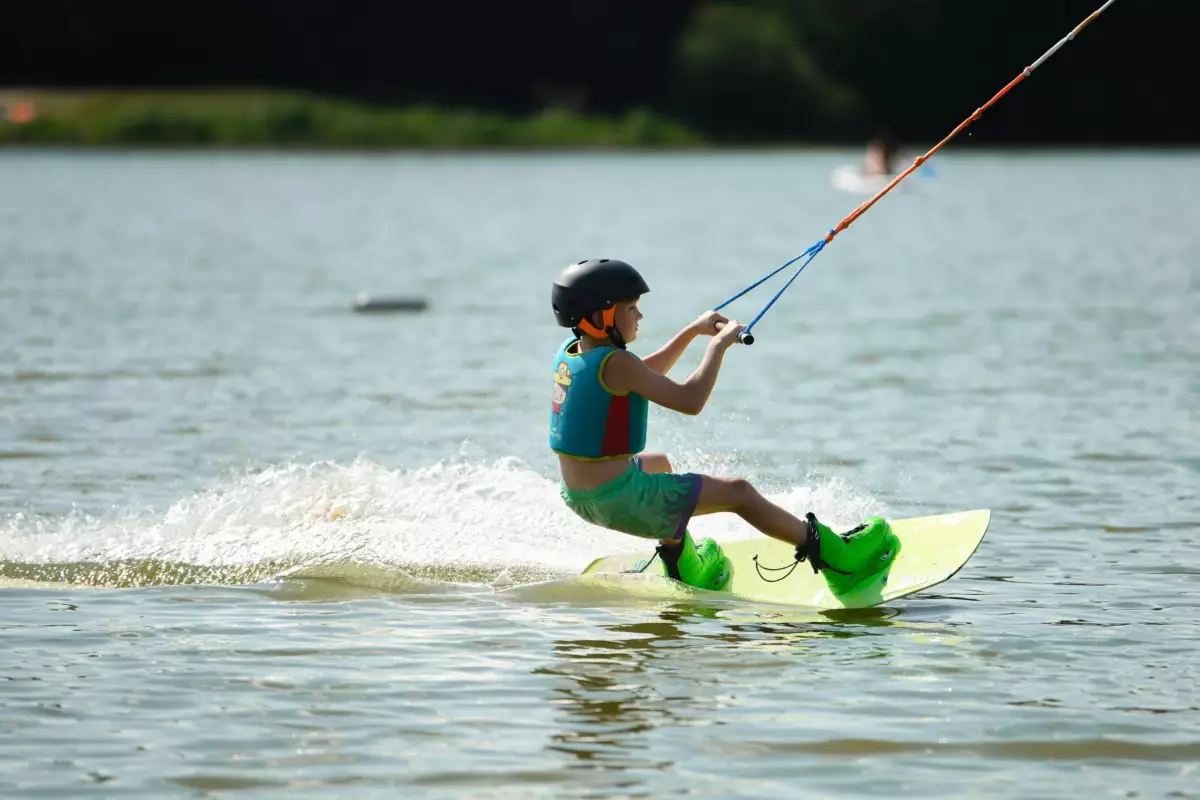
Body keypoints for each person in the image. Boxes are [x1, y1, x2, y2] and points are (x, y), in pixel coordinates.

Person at [548, 258, 896, 592]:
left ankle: (680, 564)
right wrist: (718, 345)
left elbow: (643, 373)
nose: (640, 314)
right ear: (601, 315)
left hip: (580, 495)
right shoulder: (618, 362)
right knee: (738, 493)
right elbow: (690, 400)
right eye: (631, 308)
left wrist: (691, 332)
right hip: (619, 500)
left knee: (659, 464)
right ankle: (839, 561)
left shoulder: (576, 351)